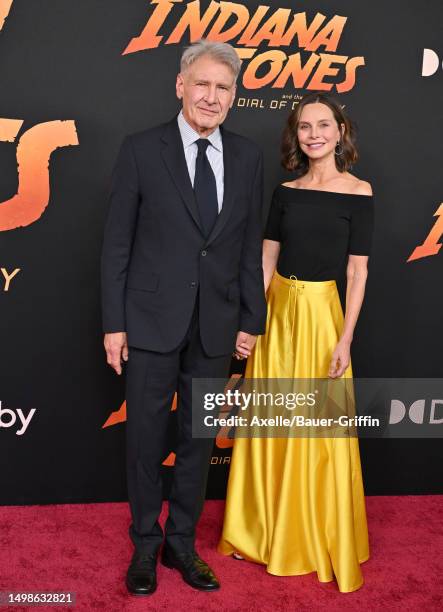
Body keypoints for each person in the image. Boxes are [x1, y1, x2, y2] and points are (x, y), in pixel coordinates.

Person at [101, 40, 267, 595]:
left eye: (223, 88)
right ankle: (145, 546)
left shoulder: (247, 157)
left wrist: (251, 318)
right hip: (148, 321)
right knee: (147, 439)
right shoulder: (141, 150)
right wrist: (113, 324)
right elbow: (116, 246)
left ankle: (181, 546)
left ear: (234, 96)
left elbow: (247, 248)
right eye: (202, 84)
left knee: (198, 440)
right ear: (180, 85)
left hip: (217, 326)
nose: (211, 96)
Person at [218, 91, 374, 593]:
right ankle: (263, 532)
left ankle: (311, 535)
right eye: (305, 126)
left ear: (340, 131)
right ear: (296, 135)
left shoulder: (359, 191)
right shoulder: (285, 191)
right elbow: (265, 261)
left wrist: (346, 337)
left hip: (323, 318)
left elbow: (357, 272)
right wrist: (250, 322)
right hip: (278, 317)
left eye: (323, 125)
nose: (314, 134)